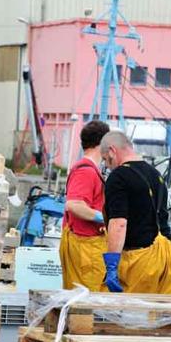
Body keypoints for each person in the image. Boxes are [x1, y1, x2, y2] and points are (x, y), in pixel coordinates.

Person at [99, 131, 171, 293]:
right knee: (160, 307)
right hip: (166, 258)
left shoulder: (119, 177)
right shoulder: (156, 174)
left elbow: (119, 223)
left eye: (105, 159)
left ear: (112, 151)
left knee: (126, 308)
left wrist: (112, 265)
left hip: (139, 261)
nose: (107, 165)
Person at [59, 120, 110, 291]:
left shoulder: (88, 169)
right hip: (86, 249)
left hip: (87, 246)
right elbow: (74, 205)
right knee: (89, 299)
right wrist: (105, 218)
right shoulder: (86, 171)